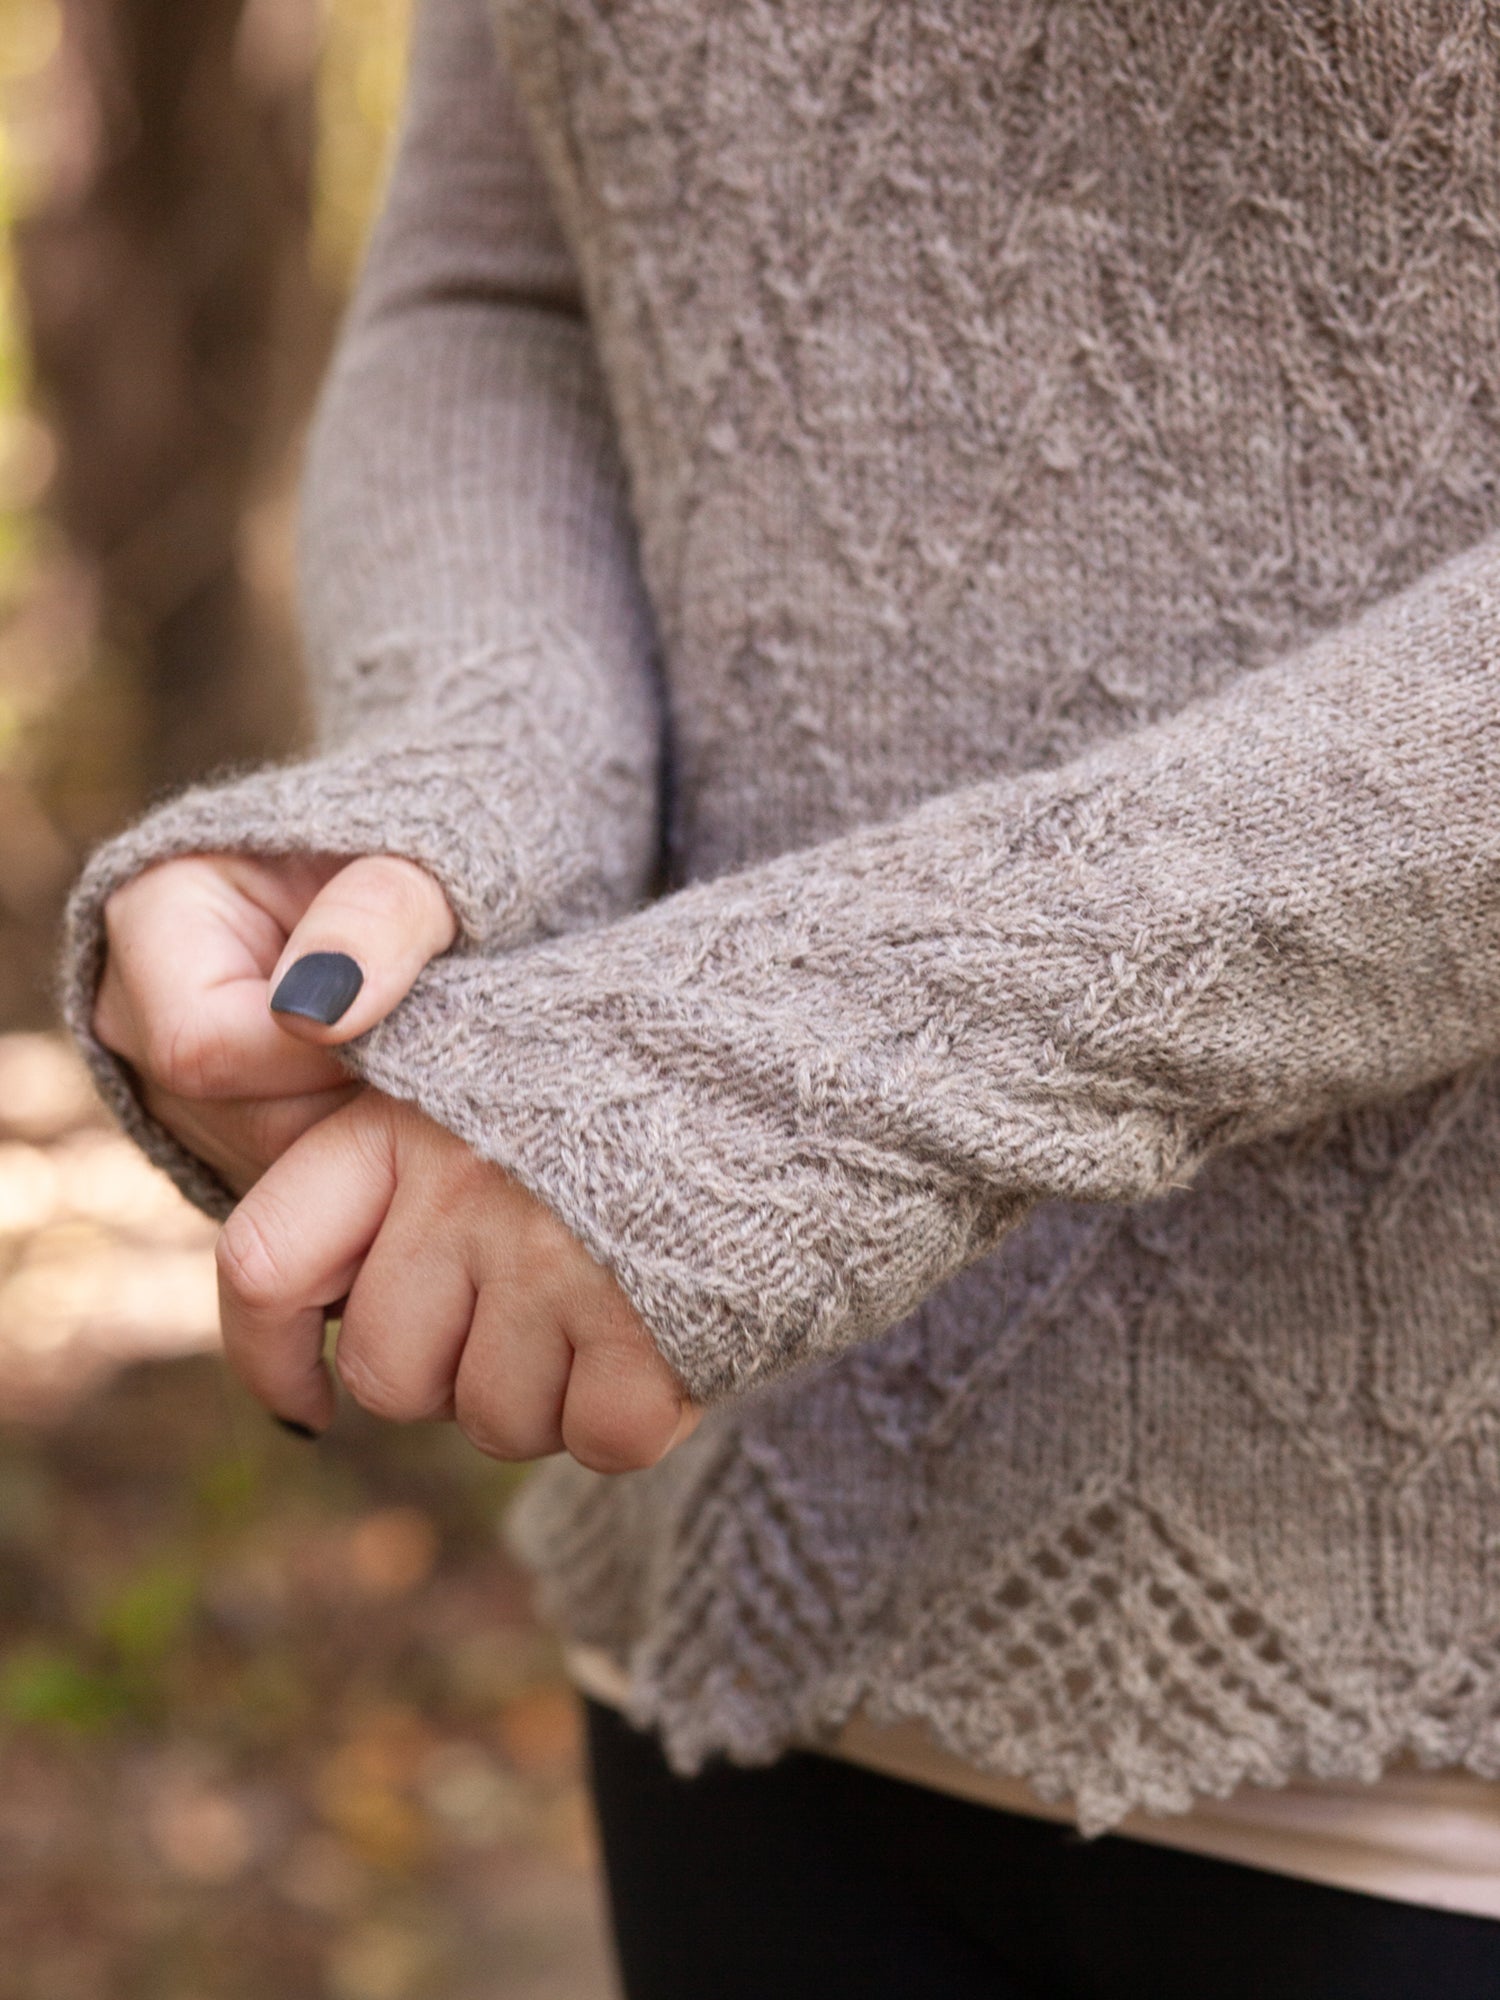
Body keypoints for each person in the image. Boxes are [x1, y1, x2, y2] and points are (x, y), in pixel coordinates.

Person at [62, 0, 1500, 1992]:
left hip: (1432, 1736)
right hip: (746, 1618)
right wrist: (457, 801)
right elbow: (507, 276)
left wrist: (774, 1076)